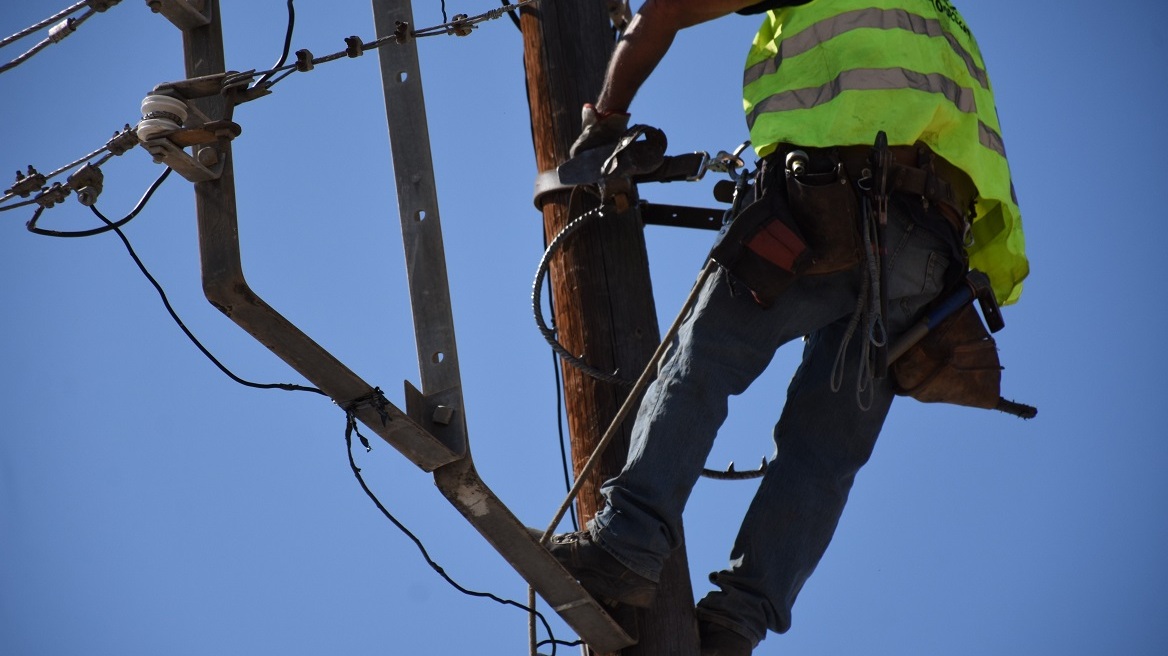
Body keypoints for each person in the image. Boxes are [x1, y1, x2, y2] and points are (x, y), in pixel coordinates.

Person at [544, 1, 1028, 654]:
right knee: (825, 450)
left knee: (703, 362)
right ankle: (737, 623)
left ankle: (627, 544)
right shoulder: (950, 25)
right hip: (929, 258)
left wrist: (603, 120)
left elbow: (666, 10)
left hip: (821, 207)